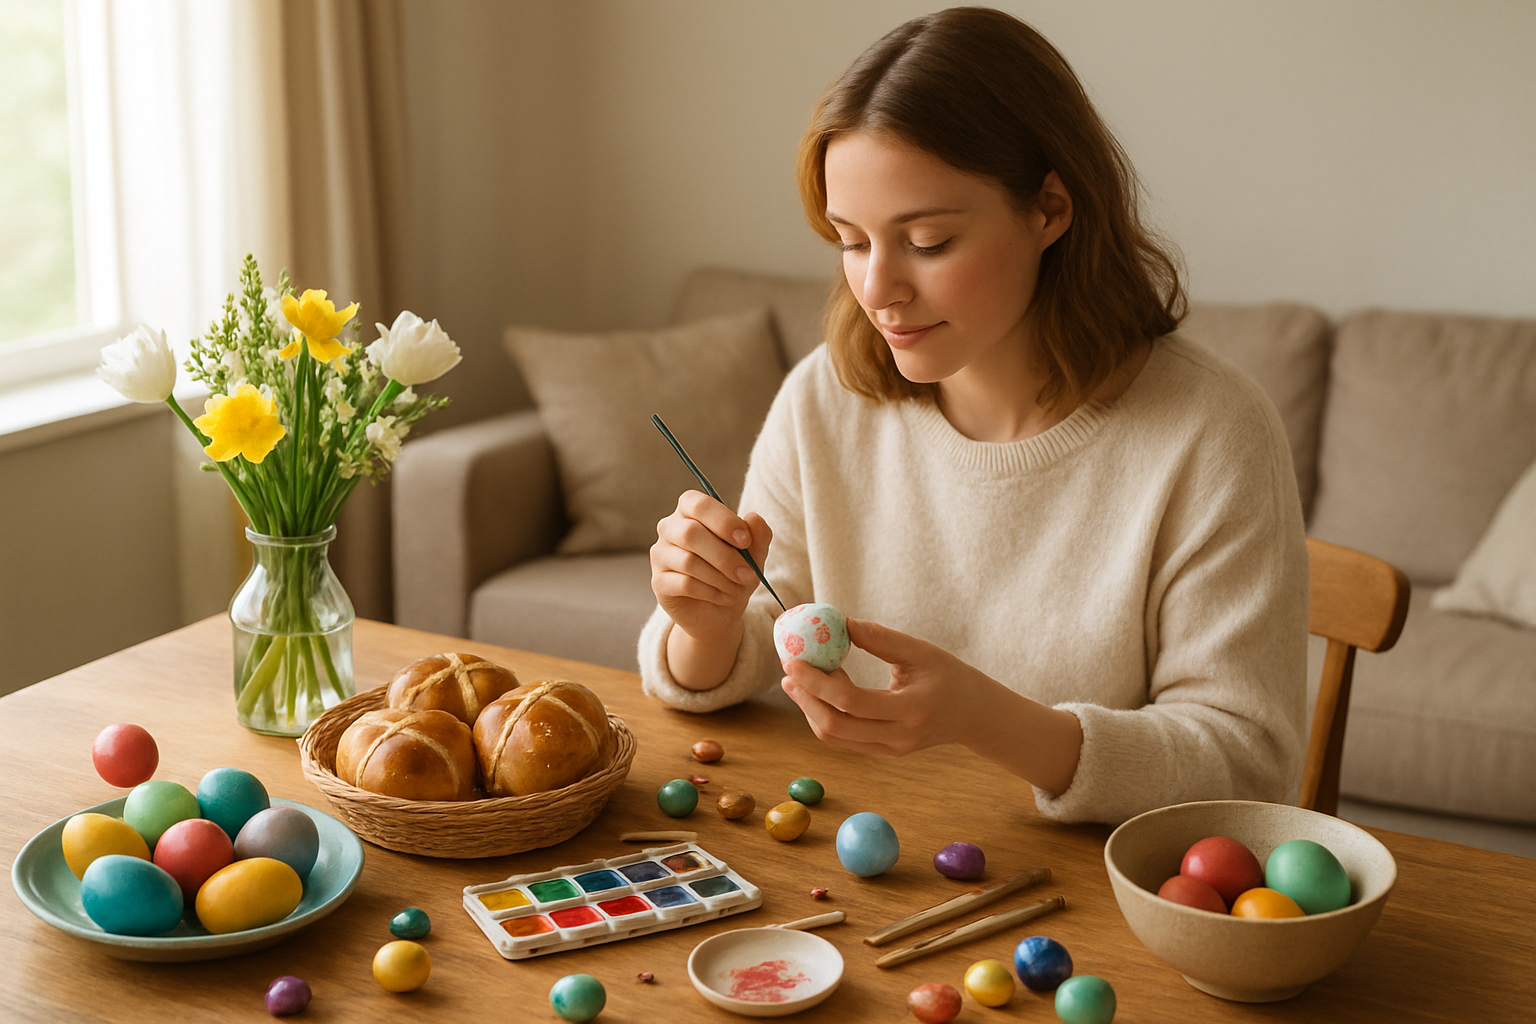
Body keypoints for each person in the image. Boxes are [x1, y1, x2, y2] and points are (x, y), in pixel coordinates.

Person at [637, 7, 1308, 825]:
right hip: (871, 868)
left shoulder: (1210, 430)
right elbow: (746, 644)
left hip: (1096, 903)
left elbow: (1247, 766)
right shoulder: (826, 397)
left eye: (925, 241)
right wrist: (703, 625)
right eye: (851, 241)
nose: (879, 289)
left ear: (1050, 209)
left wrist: (990, 722)